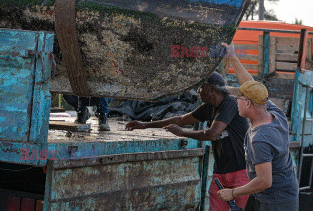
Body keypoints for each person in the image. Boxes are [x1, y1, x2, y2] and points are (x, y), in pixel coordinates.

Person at [125, 72, 250, 210]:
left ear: (211, 89)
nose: (198, 92)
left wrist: (183, 132)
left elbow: (213, 134)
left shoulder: (230, 103)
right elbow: (180, 120)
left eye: (201, 87)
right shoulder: (209, 107)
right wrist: (145, 125)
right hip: (220, 171)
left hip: (240, 171)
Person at [218, 43, 299, 211]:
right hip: (279, 195)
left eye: (238, 98)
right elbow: (251, 85)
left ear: (248, 104)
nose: (236, 102)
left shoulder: (260, 139)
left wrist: (233, 193)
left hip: (276, 202)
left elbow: (264, 181)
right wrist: (232, 57)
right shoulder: (276, 114)